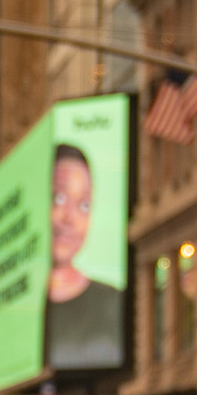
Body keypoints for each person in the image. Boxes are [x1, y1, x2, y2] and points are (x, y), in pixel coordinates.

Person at [45, 143, 124, 370]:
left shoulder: (113, 303)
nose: (69, 218)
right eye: (58, 198)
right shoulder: (15, 305)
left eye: (83, 204)